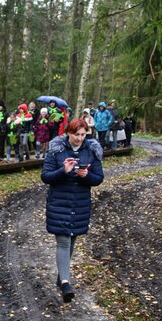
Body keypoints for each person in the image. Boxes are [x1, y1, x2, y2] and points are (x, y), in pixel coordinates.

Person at [41, 118, 104, 303]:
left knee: (72, 239)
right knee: (63, 241)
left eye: (83, 135)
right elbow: (45, 176)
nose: (80, 138)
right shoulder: (56, 149)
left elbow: (99, 178)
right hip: (59, 203)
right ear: (69, 133)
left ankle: (61, 276)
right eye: (77, 134)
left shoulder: (92, 150)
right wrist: (63, 171)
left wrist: (87, 175)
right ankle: (66, 284)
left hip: (80, 204)